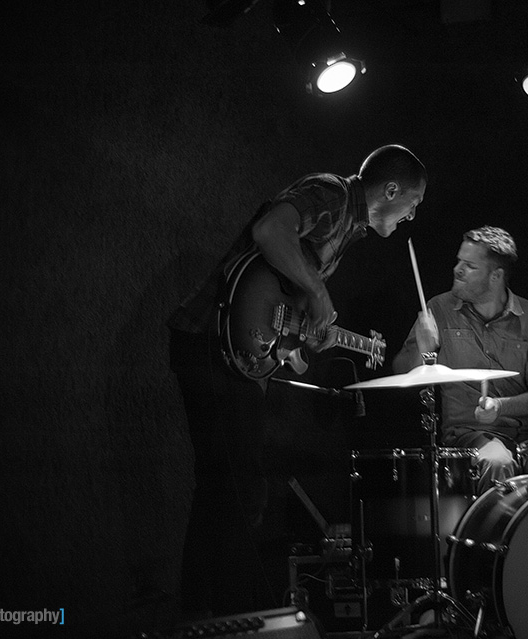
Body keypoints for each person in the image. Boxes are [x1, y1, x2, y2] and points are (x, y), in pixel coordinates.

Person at [167, 145, 427, 618]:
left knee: (224, 494)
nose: (411, 215)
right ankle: (225, 619)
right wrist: (318, 289)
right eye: (412, 203)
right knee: (238, 494)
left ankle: (201, 618)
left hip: (234, 353)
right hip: (212, 339)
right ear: (390, 190)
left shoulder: (347, 231)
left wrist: (303, 340)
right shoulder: (330, 192)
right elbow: (270, 232)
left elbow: (282, 308)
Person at [392, 226, 528, 493]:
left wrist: (500, 407)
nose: (457, 269)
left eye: (469, 266)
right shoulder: (438, 309)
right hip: (466, 435)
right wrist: (424, 351)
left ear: (496, 276)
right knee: (497, 460)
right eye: (459, 261)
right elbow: (400, 371)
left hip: (527, 435)